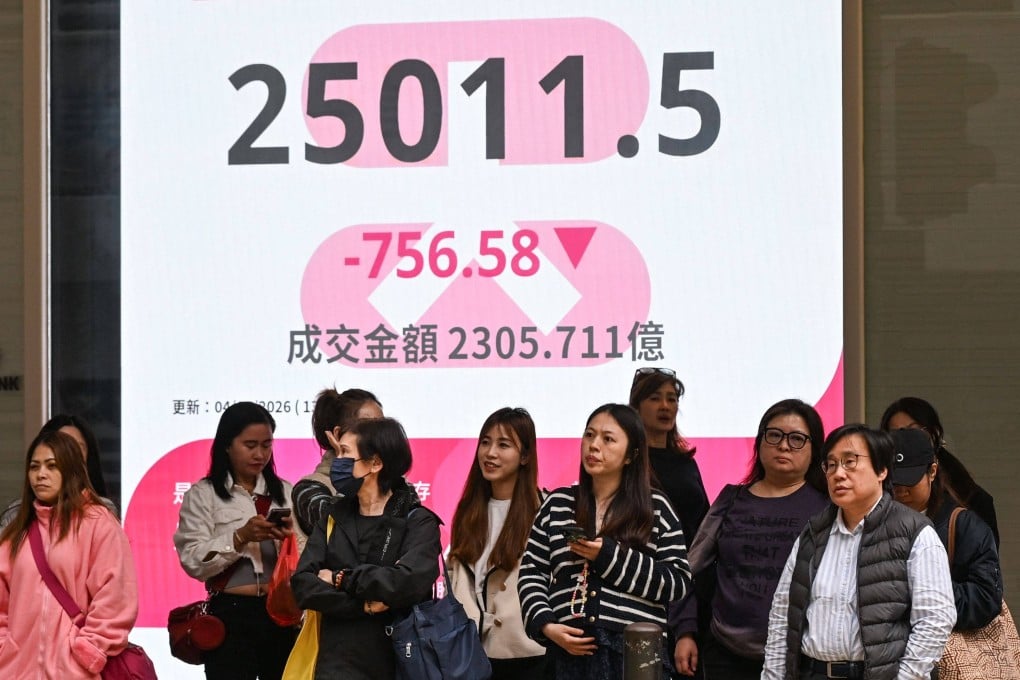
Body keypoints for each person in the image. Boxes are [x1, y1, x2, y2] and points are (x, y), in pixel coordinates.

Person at [762, 424, 956, 680]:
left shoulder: (914, 533)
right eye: (830, 465)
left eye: (849, 462)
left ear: (882, 470)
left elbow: (935, 620)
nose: (838, 474)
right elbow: (782, 616)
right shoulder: (813, 533)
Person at [518, 403, 692, 679]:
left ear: (631, 455)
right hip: (568, 652)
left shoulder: (655, 507)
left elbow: (678, 581)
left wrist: (609, 556)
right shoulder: (559, 503)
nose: (594, 445)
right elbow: (531, 572)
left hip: (636, 655)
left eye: (607, 439)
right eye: (589, 435)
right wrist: (546, 625)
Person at [671, 399, 830, 680]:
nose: (783, 445)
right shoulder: (731, 500)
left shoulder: (827, 508)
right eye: (774, 435)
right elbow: (687, 571)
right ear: (759, 442)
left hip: (800, 657)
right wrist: (685, 630)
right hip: (724, 653)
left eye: (797, 439)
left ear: (814, 450)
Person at [291, 417, 441, 679]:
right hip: (336, 665)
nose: (337, 462)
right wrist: (363, 606)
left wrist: (340, 578)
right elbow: (303, 585)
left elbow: (406, 583)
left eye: (346, 453)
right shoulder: (333, 517)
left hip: (400, 663)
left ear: (375, 463)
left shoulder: (416, 520)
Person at [173, 401, 296, 680]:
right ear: (227, 445)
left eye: (266, 445)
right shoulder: (203, 495)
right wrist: (240, 537)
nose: (260, 454)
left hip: (280, 612)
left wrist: (291, 539)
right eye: (250, 445)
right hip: (230, 613)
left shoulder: (285, 492)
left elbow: (307, 555)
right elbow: (193, 560)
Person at [0, 429, 138, 678]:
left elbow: (115, 597)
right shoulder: (16, 531)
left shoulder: (99, 523)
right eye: (34, 467)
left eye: (52, 466)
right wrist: (4, 650)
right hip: (16, 672)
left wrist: (87, 652)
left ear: (71, 470)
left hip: (76, 672)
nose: (40, 474)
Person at [449, 407, 548, 678]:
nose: (490, 453)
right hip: (469, 652)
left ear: (525, 455)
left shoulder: (545, 512)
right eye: (485, 442)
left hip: (526, 653)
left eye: (504, 445)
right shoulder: (469, 511)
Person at [889, 427, 1002, 631]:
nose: (901, 490)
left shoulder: (965, 526)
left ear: (932, 472)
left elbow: (986, 599)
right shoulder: (873, 522)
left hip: (943, 650)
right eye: (894, 482)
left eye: (909, 480)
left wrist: (923, 591)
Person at [880, 396, 999, 547]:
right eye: (896, 434)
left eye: (914, 431)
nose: (906, 440)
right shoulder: (877, 494)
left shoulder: (970, 498)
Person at [629, 368, 709, 550]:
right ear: (636, 407)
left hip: (690, 570)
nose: (665, 406)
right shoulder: (627, 461)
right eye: (655, 398)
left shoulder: (686, 463)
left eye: (672, 399)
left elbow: (706, 523)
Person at [291, 388, 383, 537]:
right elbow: (335, 531)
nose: (382, 434)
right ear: (339, 435)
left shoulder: (397, 482)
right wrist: (346, 467)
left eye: (383, 425)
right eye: (370, 427)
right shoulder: (309, 488)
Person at [0, 414, 117, 528]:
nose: (67, 453)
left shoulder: (101, 517)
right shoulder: (16, 515)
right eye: (35, 466)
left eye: (75, 448)